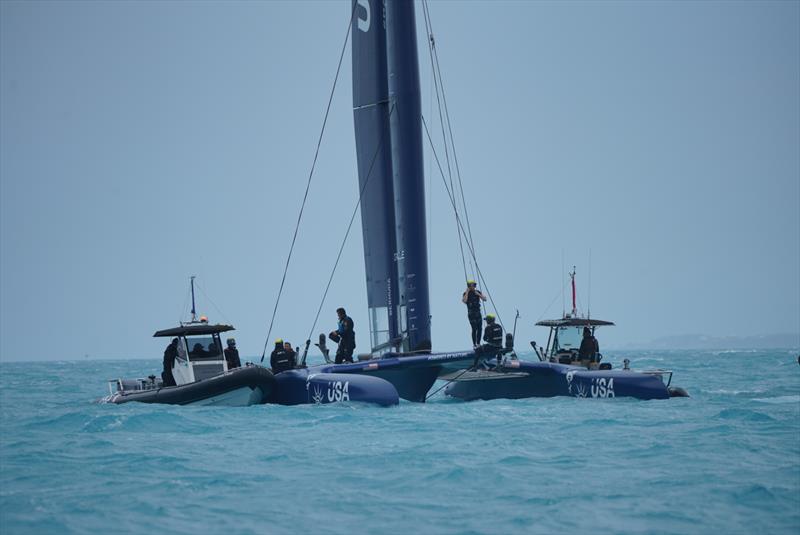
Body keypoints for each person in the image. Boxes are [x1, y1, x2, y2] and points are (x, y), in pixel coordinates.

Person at [462, 280, 487, 347]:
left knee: (480, 328)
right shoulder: (465, 293)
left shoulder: (477, 292)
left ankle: (478, 343)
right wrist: (467, 292)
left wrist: (478, 294)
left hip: (478, 313)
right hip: (471, 314)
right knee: (474, 329)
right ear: (469, 286)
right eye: (473, 285)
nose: (475, 286)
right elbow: (464, 301)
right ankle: (474, 344)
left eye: (475, 285)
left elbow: (485, 299)